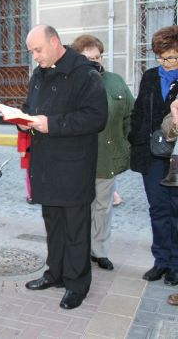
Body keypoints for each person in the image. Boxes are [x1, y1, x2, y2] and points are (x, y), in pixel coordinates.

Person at [22, 25, 107, 310]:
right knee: (54, 225)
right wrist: (23, 118)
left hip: (73, 167)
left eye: (38, 50)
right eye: (31, 51)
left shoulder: (85, 73)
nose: (34, 56)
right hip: (46, 165)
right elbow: (31, 106)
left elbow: (96, 118)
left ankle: (76, 284)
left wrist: (52, 124)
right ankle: (54, 273)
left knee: (75, 229)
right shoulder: (40, 73)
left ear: (55, 42)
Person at [71, 35, 134, 272]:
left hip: (106, 157)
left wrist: (126, 144)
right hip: (78, 160)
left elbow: (131, 115)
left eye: (98, 57)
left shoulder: (115, 82)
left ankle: (100, 251)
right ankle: (80, 249)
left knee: (102, 208)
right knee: (80, 208)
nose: (95, 62)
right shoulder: (72, 84)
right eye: (89, 59)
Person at [129, 25, 178, 288]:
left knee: (175, 209)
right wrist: (135, 142)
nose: (166, 62)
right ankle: (161, 261)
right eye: (161, 56)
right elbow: (138, 113)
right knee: (158, 209)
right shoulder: (149, 76)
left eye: (171, 56)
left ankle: (176, 264)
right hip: (152, 156)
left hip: (176, 157)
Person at [17, 130, 33, 203]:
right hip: (29, 150)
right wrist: (22, 149)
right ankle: (31, 195)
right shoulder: (25, 120)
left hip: (42, 149)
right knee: (30, 174)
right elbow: (22, 135)